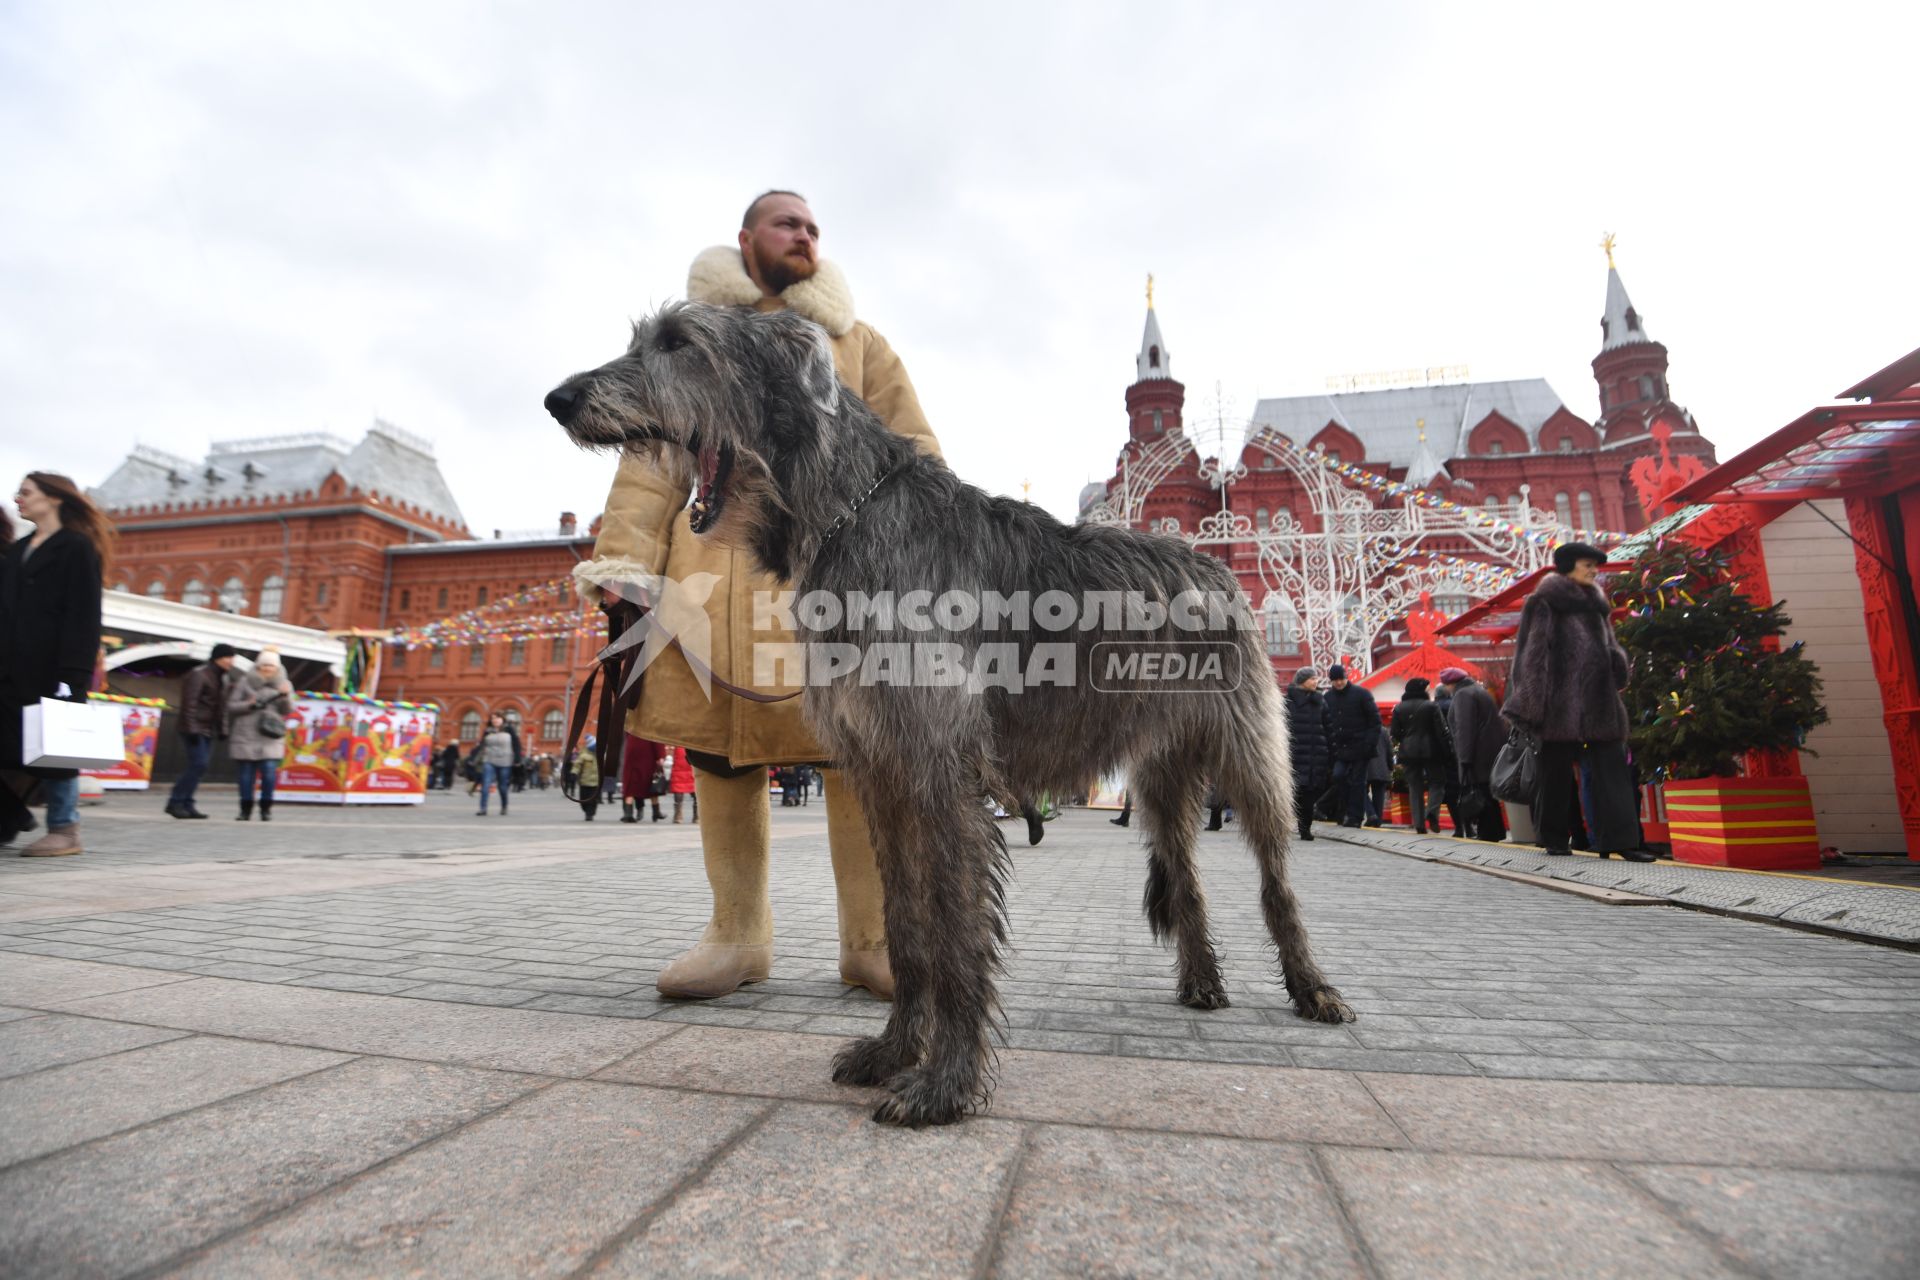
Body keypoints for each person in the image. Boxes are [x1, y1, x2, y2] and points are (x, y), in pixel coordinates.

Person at [574, 190, 941, 999]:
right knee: (718, 756)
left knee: (862, 755)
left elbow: (913, 445)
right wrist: (623, 568)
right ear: (747, 239)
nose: (804, 237)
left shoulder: (858, 343)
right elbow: (645, 465)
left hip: (833, 580)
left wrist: (923, 543)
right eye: (788, 224)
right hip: (705, 584)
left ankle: (877, 943)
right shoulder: (688, 343)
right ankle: (737, 938)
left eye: (813, 228)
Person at [1503, 543, 1655, 862]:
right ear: (1569, 566)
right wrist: (1531, 705)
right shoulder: (1544, 602)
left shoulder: (1595, 603)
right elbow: (1531, 657)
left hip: (1600, 703)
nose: (1594, 571)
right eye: (1588, 565)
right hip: (1558, 706)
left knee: (1612, 772)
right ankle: (1555, 838)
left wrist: (1617, 665)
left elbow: (1609, 644)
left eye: (1594, 566)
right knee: (1555, 776)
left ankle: (1621, 841)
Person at [2, 473, 108, 857]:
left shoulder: (76, 549)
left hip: (52, 671)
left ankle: (65, 829)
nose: (18, 499)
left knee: (56, 746)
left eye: (26, 493)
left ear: (55, 499)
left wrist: (73, 677)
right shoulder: (19, 549)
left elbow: (83, 617)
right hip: (9, 669)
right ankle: (10, 819)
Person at [166, 643, 238, 818]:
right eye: (228, 657)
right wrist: (191, 729)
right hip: (194, 727)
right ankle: (175, 802)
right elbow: (189, 704)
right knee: (199, 764)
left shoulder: (222, 678)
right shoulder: (199, 674)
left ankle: (187, 803)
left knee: (199, 767)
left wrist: (223, 729)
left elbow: (221, 708)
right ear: (218, 658)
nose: (231, 661)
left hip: (207, 728)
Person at [1440, 667, 1507, 842]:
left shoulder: (1463, 696)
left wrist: (1464, 758)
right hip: (1490, 750)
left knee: (1480, 793)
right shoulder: (1479, 691)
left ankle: (1488, 832)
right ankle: (1495, 830)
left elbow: (1464, 729)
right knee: (1487, 793)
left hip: (1477, 752)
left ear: (1450, 684)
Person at [227, 649, 293, 820]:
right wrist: (249, 705)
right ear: (258, 665)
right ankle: (245, 809)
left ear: (277, 667)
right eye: (264, 665)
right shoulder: (244, 681)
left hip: (270, 734)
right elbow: (232, 706)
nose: (267, 668)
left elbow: (288, 710)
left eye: (271, 665)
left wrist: (285, 697)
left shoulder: (284, 684)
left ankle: (266, 809)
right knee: (245, 774)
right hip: (245, 733)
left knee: (269, 772)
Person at [1322, 664, 1379, 829]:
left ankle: (1354, 816)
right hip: (1340, 748)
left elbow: (1374, 722)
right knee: (1339, 776)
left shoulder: (1362, 694)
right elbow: (1326, 723)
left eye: (1341, 679)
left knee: (1358, 782)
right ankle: (1345, 811)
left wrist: (1369, 743)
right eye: (1335, 680)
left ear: (1346, 677)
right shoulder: (1328, 697)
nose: (1339, 683)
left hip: (1361, 747)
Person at [1389, 677, 1444, 834]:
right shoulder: (1431, 706)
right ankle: (1432, 812)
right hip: (1430, 750)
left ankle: (1419, 824)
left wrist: (1406, 740)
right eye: (1426, 688)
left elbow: (1394, 733)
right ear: (1421, 690)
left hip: (1408, 751)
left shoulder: (1399, 708)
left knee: (1414, 786)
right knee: (1437, 782)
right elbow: (1440, 730)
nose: (1428, 690)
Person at [1285, 667, 1333, 841]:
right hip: (1294, 756)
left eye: (1316, 679)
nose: (1315, 682)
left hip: (1316, 756)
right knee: (1293, 793)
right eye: (1312, 679)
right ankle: (1288, 825)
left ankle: (1305, 828)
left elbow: (1329, 729)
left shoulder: (1320, 702)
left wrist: (1329, 753)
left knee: (1310, 796)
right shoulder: (1288, 701)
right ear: (1302, 681)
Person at [1431, 680, 1462, 835]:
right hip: (1459, 751)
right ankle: (1467, 826)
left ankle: (1459, 826)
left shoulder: (1434, 708)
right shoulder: (1455, 704)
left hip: (1441, 755)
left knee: (1448, 791)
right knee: (1461, 788)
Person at [475, 711, 519, 816]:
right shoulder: (487, 731)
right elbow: (481, 746)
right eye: (493, 718)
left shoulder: (509, 730)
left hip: (505, 761)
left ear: (502, 719)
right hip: (489, 760)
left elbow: (516, 745)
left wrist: (517, 759)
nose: (495, 720)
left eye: (498, 718)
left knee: (502, 786)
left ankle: (504, 806)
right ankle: (483, 808)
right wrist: (473, 757)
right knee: (485, 784)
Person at [621, 732, 666, 823]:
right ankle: (656, 812)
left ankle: (628, 814)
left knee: (631, 786)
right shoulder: (650, 723)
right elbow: (657, 739)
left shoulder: (631, 725)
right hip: (647, 756)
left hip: (631, 755)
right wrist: (660, 756)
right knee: (653, 784)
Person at [1365, 727, 1391, 827]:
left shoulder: (1362, 728)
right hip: (1382, 767)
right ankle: (1377, 821)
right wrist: (1390, 766)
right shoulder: (1384, 731)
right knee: (1379, 795)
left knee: (1361, 790)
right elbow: (1389, 751)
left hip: (1366, 766)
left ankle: (1371, 814)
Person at [573, 737, 601, 821]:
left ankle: (590, 813)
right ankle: (586, 810)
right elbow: (577, 765)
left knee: (593, 800)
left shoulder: (600, 756)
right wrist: (574, 773)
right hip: (584, 782)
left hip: (595, 782)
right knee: (583, 799)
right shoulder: (583, 755)